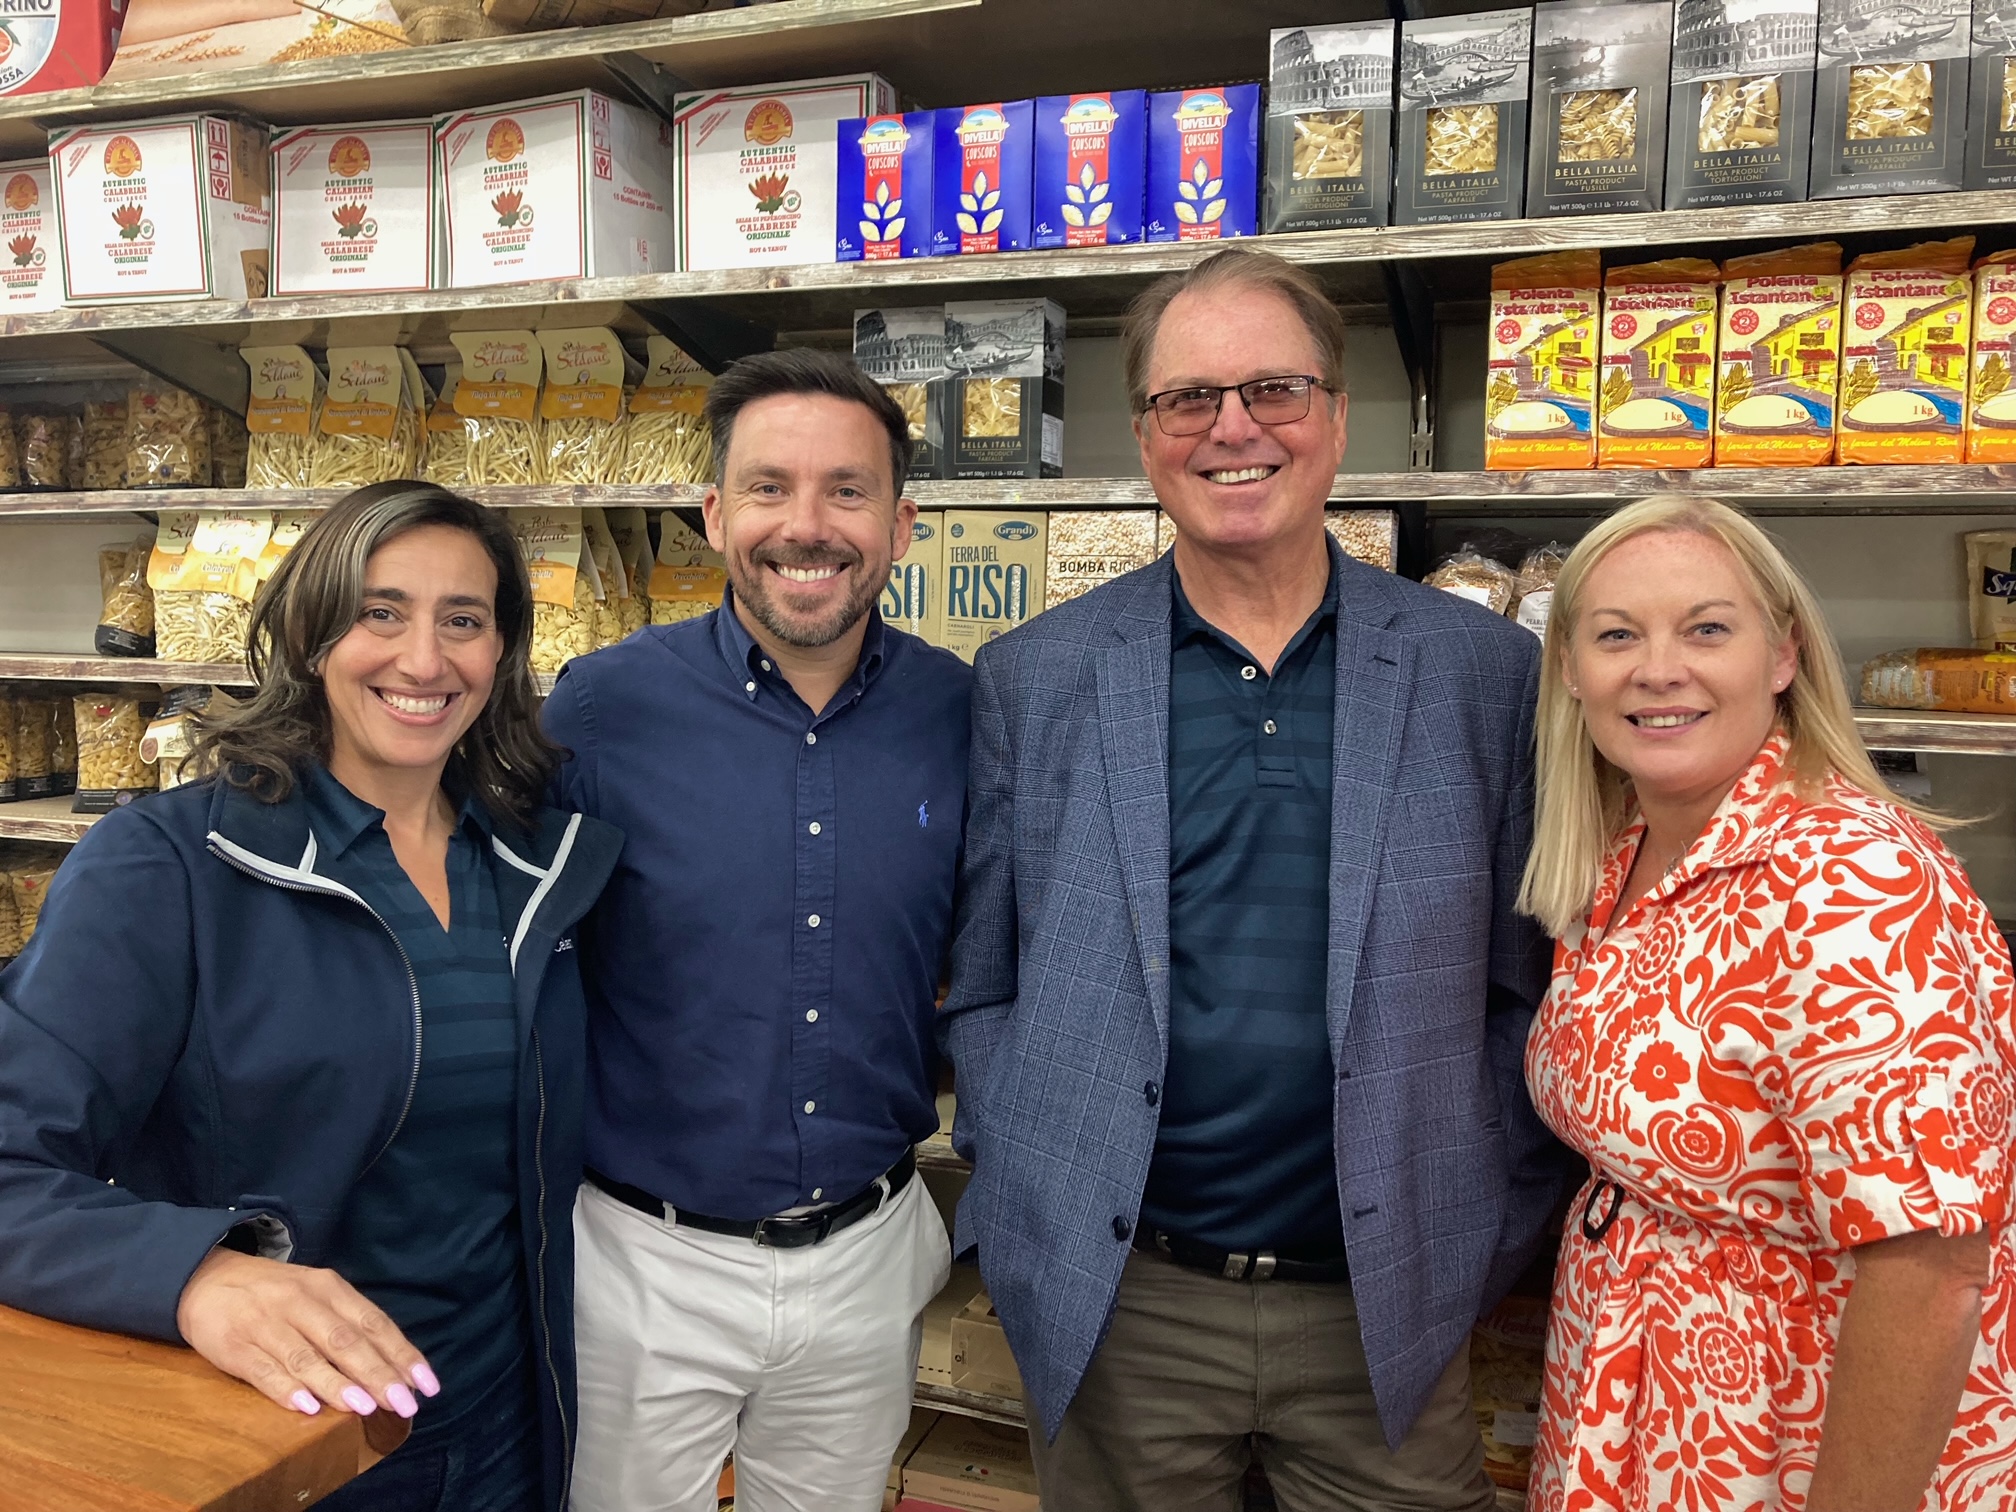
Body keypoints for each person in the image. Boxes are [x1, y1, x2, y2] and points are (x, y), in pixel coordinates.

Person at [940, 245, 1570, 1510]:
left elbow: (1527, 983)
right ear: (1146, 434)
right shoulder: (1039, 674)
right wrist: (1026, 1196)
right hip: (1130, 1309)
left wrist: (1474, 1218)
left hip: (1387, 1306)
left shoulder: (1480, 675)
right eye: (1191, 399)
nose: (1235, 429)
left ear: (1338, 417)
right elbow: (987, 978)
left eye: (1275, 389)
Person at [0, 483, 622, 1512]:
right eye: (380, 613)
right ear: (306, 633)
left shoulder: (531, 867)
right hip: (296, 1448)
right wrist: (193, 1272)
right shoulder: (171, 869)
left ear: (500, 653)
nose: (424, 660)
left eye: (462, 621)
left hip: (510, 1422)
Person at [1520, 494, 2016, 1509]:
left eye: (1707, 628)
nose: (1659, 669)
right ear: (1570, 669)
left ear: (1783, 654)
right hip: (1648, 1418)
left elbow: (1932, 1268)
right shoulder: (1626, 849)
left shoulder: (1850, 882)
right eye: (1618, 635)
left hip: (1796, 1440)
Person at [544, 347, 970, 1512]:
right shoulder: (599, 707)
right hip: (644, 1262)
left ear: (902, 520)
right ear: (714, 513)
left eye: (848, 489)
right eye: (771, 488)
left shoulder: (960, 711)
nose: (809, 526)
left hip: (867, 1252)